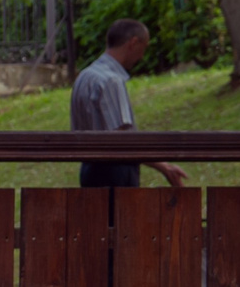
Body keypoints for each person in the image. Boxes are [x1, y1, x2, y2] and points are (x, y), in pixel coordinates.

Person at [70, 19, 185, 189]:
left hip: (89, 169)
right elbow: (122, 140)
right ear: (133, 43)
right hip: (114, 172)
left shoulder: (85, 76)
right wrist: (164, 167)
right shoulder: (111, 81)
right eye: (144, 47)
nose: (142, 56)